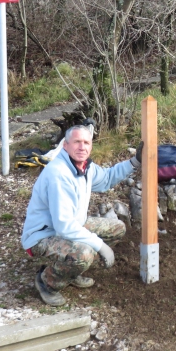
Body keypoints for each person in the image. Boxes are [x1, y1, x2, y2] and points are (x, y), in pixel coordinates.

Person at [21, 125, 142, 306]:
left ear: (91, 146)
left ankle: (70, 271)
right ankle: (47, 281)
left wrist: (135, 162)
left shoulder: (85, 167)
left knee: (117, 228)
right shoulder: (59, 174)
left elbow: (107, 178)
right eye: (77, 142)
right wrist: (100, 246)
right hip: (42, 236)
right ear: (65, 145)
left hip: (67, 228)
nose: (82, 147)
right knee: (84, 254)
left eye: (86, 142)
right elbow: (64, 226)